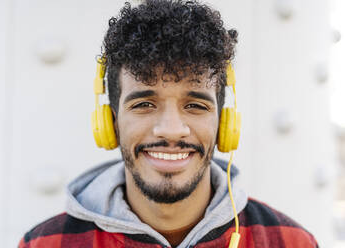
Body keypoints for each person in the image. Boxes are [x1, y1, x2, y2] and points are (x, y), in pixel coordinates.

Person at [18, 0, 319, 247]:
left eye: (195, 105)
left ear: (223, 122)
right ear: (111, 122)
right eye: (144, 104)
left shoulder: (291, 242)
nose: (172, 129)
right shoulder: (44, 243)